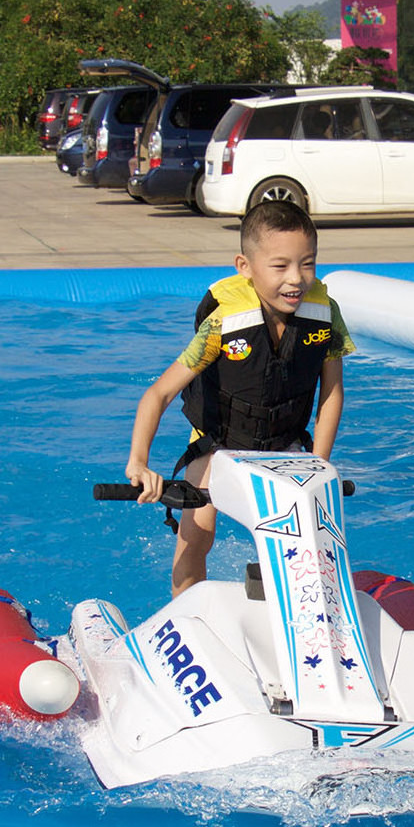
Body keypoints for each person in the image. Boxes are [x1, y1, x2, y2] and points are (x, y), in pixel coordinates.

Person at [124, 199, 355, 595]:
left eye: (308, 263)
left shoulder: (325, 314)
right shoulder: (223, 325)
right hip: (219, 445)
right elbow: (159, 393)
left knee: (304, 547)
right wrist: (139, 462)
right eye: (280, 266)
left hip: (285, 447)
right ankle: (188, 613)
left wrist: (319, 461)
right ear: (244, 267)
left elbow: (331, 393)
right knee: (197, 535)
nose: (296, 279)